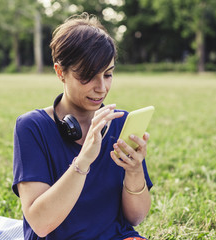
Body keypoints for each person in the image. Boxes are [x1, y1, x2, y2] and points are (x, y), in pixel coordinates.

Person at [12, 12, 153, 240]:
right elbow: (40, 224)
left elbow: (136, 218)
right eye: (87, 76)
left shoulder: (121, 123)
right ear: (60, 72)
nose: (101, 87)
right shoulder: (32, 127)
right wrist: (84, 159)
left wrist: (134, 171)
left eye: (108, 74)